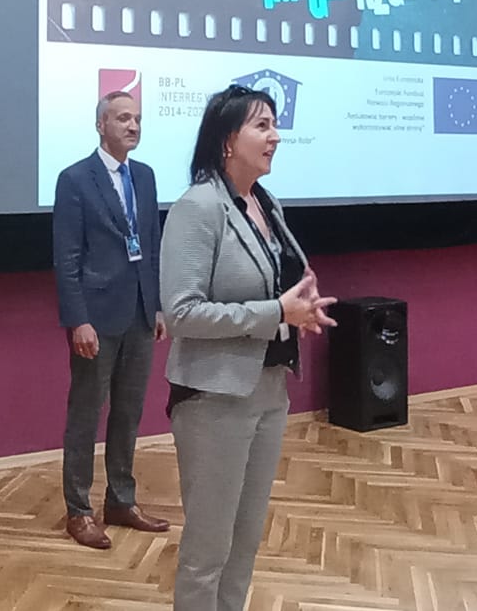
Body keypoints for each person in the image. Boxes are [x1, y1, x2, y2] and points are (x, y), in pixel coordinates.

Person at [160, 85, 337, 610]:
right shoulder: (198, 207)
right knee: (208, 549)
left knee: (244, 543)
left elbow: (277, 284)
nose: (275, 136)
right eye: (262, 125)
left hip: (268, 390)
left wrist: (301, 306)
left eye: (275, 124)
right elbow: (182, 313)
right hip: (214, 398)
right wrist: (276, 312)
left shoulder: (266, 203)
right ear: (226, 141)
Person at [50, 90, 172, 549]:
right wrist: (77, 320)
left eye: (137, 118)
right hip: (96, 318)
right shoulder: (75, 179)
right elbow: (66, 259)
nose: (133, 126)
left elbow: (151, 247)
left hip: (139, 312)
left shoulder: (145, 176)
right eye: (123, 118)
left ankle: (121, 500)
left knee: (128, 412)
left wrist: (156, 305)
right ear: (101, 125)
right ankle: (79, 511)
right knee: (86, 414)